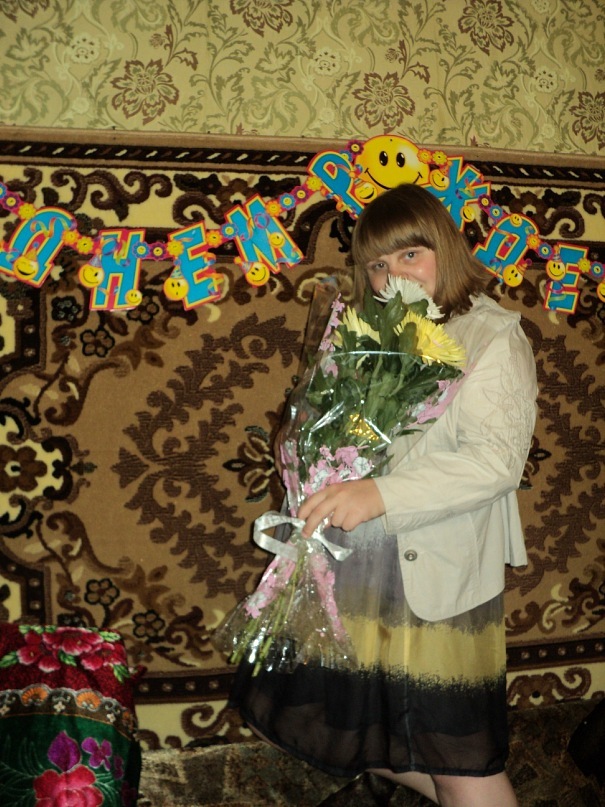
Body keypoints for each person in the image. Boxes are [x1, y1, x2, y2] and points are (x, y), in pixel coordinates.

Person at [228, 183, 538, 807]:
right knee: (330, 724)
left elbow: (493, 463)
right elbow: (351, 433)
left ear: (445, 249)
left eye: (410, 254)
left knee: (462, 762)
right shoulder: (367, 332)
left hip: (436, 583)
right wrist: (303, 450)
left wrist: (379, 493)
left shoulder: (491, 335)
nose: (394, 275)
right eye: (378, 264)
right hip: (357, 575)